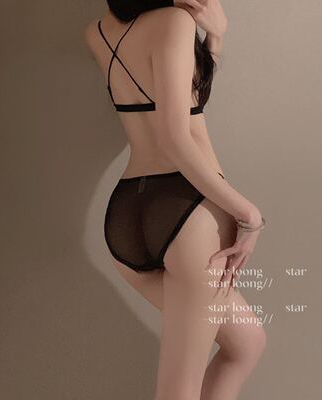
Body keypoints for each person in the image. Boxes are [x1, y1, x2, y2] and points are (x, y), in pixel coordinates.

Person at [85, 1, 267, 399]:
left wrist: (215, 37)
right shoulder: (176, 21)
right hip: (187, 210)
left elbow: (184, 100)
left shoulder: (97, 32)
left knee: (247, 342)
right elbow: (174, 136)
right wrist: (248, 214)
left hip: (128, 211)